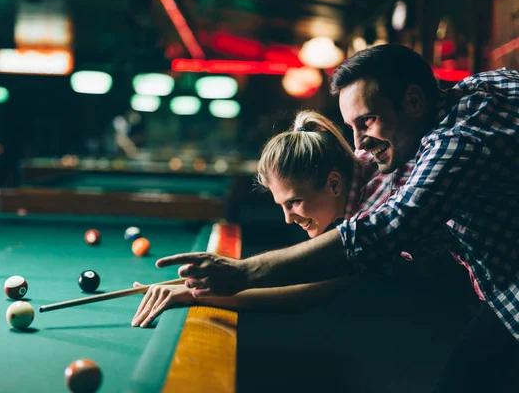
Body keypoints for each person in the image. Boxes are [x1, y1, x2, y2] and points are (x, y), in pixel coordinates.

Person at [155, 44, 519, 391]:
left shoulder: (454, 144)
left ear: (414, 101)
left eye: (369, 120)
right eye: (352, 127)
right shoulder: (478, 89)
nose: (359, 143)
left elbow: (385, 230)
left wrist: (237, 273)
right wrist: (198, 290)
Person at [132, 110, 416, 328]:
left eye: (294, 202)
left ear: (333, 184)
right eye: (282, 205)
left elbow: (303, 294)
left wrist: (191, 294)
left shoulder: (376, 207)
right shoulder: (358, 171)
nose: (288, 219)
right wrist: (188, 287)